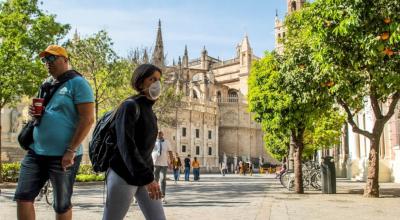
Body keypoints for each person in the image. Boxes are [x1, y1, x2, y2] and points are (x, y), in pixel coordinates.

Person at [14, 45, 95, 220]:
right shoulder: (46, 84)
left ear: (65, 60)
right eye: (45, 59)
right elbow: (47, 112)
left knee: (61, 204)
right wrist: (35, 112)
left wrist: (71, 150)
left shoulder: (78, 83)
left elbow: (87, 119)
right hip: (36, 152)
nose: (47, 63)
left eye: (52, 58)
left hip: (63, 156)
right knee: (22, 197)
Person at [102, 64, 166, 220]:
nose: (157, 83)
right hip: (123, 175)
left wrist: (149, 176)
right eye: (152, 79)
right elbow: (127, 146)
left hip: (144, 176)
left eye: (158, 80)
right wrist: (148, 178)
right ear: (140, 82)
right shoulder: (129, 106)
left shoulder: (150, 111)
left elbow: (146, 150)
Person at [152, 131, 172, 203]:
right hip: (155, 163)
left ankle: (163, 196)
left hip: (164, 164)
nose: (158, 135)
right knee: (155, 180)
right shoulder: (153, 141)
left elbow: (170, 152)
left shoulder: (167, 142)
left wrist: (171, 162)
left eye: (160, 134)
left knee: (163, 179)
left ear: (162, 135)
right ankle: (155, 195)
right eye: (157, 134)